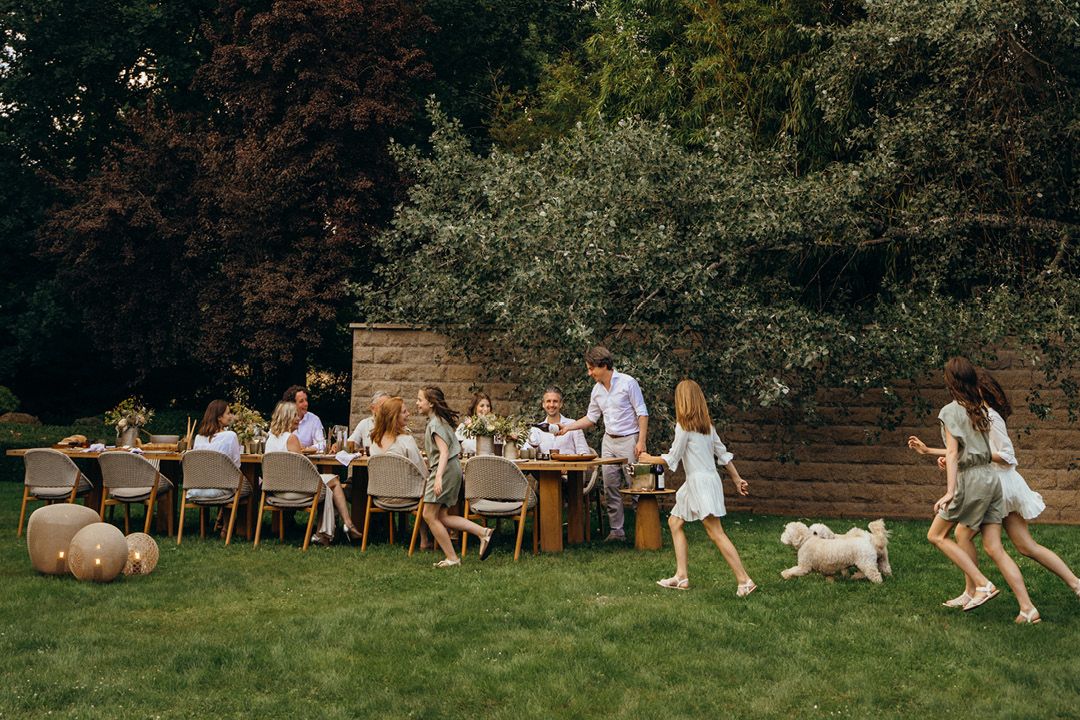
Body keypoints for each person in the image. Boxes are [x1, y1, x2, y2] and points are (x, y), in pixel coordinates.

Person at [909, 368, 1080, 606]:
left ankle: (979, 588)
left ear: (983, 392)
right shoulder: (975, 415)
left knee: (964, 535)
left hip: (1001, 484)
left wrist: (972, 460)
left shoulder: (991, 417)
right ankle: (1064, 589)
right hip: (993, 482)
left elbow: (1007, 455)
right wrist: (934, 453)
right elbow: (964, 451)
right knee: (1023, 546)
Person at [909, 357, 1039, 623]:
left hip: (973, 482)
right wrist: (927, 451)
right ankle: (1027, 609)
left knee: (936, 535)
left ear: (950, 381)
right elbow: (972, 451)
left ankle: (982, 584)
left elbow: (955, 454)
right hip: (992, 482)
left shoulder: (949, 411)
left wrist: (949, 491)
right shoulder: (978, 408)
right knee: (992, 546)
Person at [638, 380, 756, 596]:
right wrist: (737, 479)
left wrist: (648, 458)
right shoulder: (707, 427)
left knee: (715, 532)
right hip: (702, 482)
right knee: (674, 522)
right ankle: (681, 576)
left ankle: (744, 580)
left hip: (700, 484)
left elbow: (673, 456)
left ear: (682, 401)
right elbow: (723, 455)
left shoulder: (683, 426)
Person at [557, 346, 649, 541]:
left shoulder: (628, 383)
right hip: (608, 441)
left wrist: (641, 442)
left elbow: (642, 412)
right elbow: (591, 418)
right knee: (610, 486)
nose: (589, 373)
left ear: (604, 366)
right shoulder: (597, 390)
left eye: (592, 369)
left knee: (638, 487)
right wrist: (568, 427)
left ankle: (645, 530)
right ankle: (617, 532)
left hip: (630, 440)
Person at [416, 386, 495, 567]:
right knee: (441, 516)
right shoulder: (438, 421)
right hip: (450, 470)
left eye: (420, 400)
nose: (417, 403)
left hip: (444, 471)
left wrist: (437, 478)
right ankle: (484, 533)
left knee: (428, 514)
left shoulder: (436, 424)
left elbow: (443, 452)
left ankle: (452, 558)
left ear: (431, 403)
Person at [265, 401, 360, 545]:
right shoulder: (291, 438)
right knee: (333, 482)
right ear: (288, 417)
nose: (299, 418)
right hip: (295, 490)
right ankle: (344, 526)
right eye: (295, 416)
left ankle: (325, 533)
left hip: (275, 490)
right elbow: (303, 470)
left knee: (328, 486)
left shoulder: (270, 438)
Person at [370, 396, 431, 549]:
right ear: (394, 417)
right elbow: (422, 472)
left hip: (381, 496)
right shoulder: (406, 440)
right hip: (408, 496)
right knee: (431, 485)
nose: (408, 414)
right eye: (404, 412)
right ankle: (428, 538)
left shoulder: (374, 441)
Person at [527, 386, 590, 456]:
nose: (551, 405)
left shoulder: (573, 425)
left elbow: (584, 452)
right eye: (548, 401)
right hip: (546, 466)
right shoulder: (536, 429)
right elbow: (526, 451)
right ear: (543, 404)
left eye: (555, 401)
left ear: (561, 404)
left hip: (570, 466)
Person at [282, 385, 325, 453]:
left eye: (306, 400)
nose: (306, 404)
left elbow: (322, 444)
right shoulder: (282, 419)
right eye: (301, 401)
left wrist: (307, 449)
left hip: (306, 461)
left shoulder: (314, 419)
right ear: (292, 404)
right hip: (283, 459)